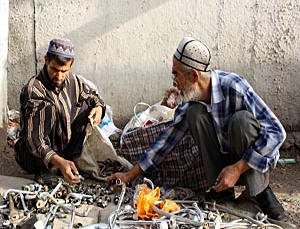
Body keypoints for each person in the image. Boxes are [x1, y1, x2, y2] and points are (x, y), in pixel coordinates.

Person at [107, 37, 288, 221]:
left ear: (194, 75)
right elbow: (165, 142)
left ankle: (262, 193)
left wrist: (237, 168)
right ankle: (222, 193)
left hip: (252, 162)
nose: (174, 81)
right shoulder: (190, 102)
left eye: (176, 74)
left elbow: (277, 132)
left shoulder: (234, 87)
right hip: (225, 164)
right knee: (195, 113)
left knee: (240, 121)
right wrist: (130, 175)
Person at [15, 38, 106, 184]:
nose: (59, 76)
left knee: (87, 107)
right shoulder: (35, 90)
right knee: (49, 109)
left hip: (63, 146)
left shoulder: (73, 81)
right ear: (46, 60)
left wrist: (99, 108)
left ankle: (70, 160)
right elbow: (34, 141)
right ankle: (46, 169)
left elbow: (94, 97)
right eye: (55, 70)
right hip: (33, 154)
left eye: (64, 71)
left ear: (70, 66)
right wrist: (58, 161)